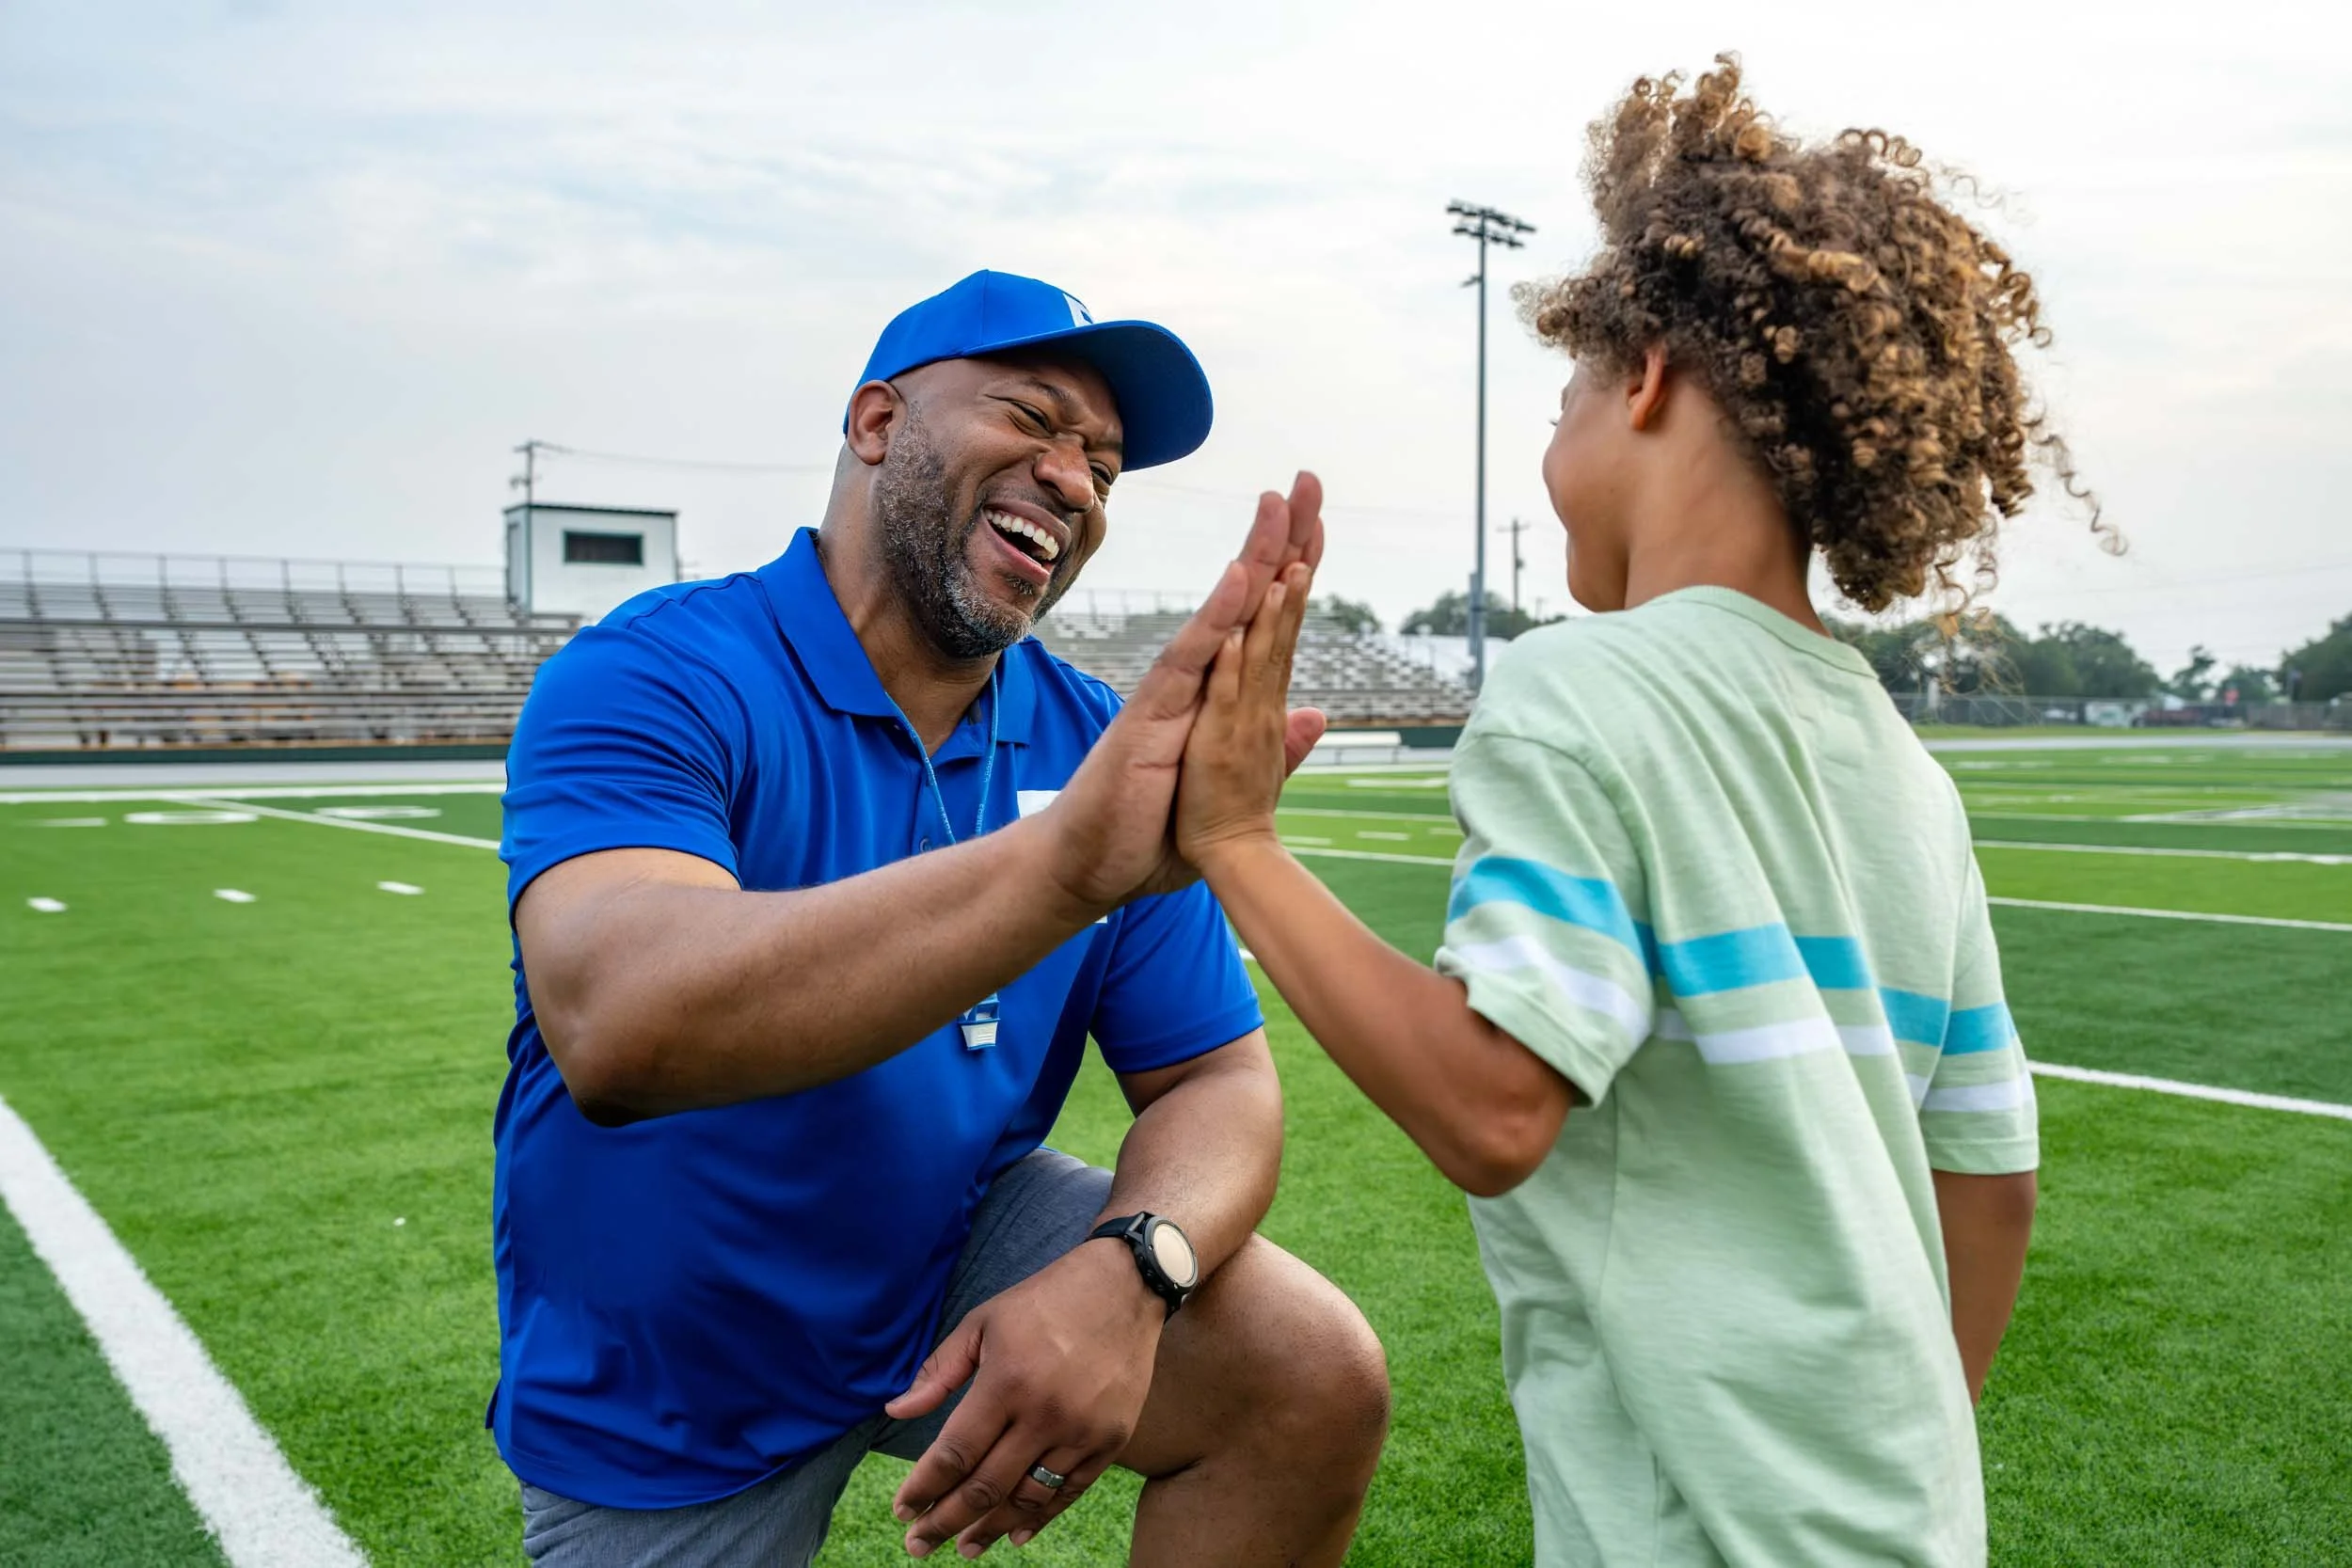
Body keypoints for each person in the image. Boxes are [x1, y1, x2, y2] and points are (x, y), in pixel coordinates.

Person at [1169, 58, 2066, 1567]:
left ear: (1642, 370)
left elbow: (1497, 1106)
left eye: (1564, 394)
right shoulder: (1910, 773)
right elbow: (1992, 1184)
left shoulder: (1582, 688)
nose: (1551, 443)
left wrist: (1240, 844)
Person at [493, 269, 1387, 1566]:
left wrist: (1133, 1268)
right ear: (875, 425)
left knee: (1309, 1377)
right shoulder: (656, 670)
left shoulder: (1086, 735)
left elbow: (1218, 1078)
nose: (1073, 478)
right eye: (1030, 418)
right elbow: (621, 1022)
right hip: (676, 1356)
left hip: (941, 1246)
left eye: (1103, 462)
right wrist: (1061, 868)